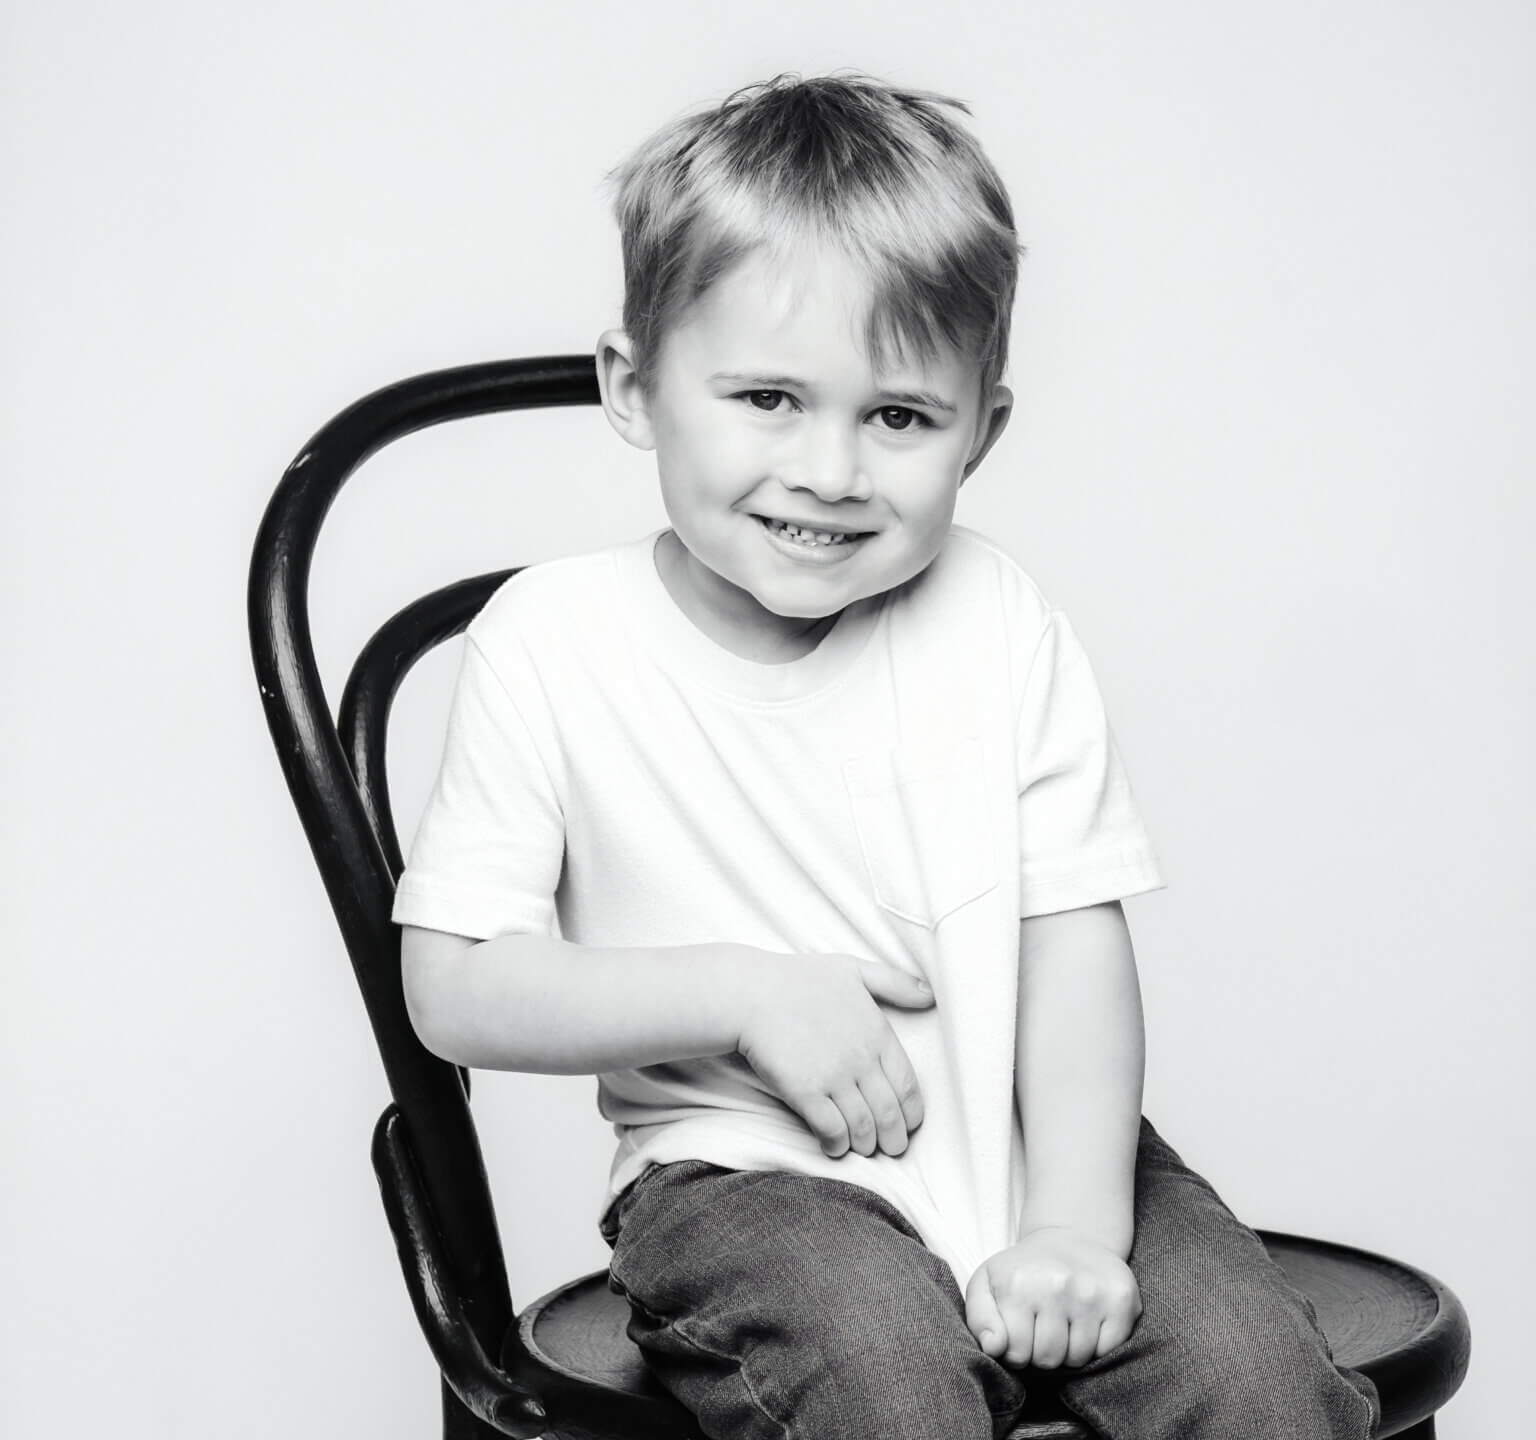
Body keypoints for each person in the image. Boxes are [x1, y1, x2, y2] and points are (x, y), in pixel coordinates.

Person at [393, 74, 1380, 1440]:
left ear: (984, 429)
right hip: (748, 1180)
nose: (832, 470)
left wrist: (1074, 1226)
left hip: (1031, 1150)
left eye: (901, 416)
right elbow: (456, 986)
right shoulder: (551, 641)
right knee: (885, 1384)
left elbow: (1071, 946)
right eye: (767, 397)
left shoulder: (997, 617)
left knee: (1259, 1382)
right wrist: (744, 993)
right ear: (634, 386)